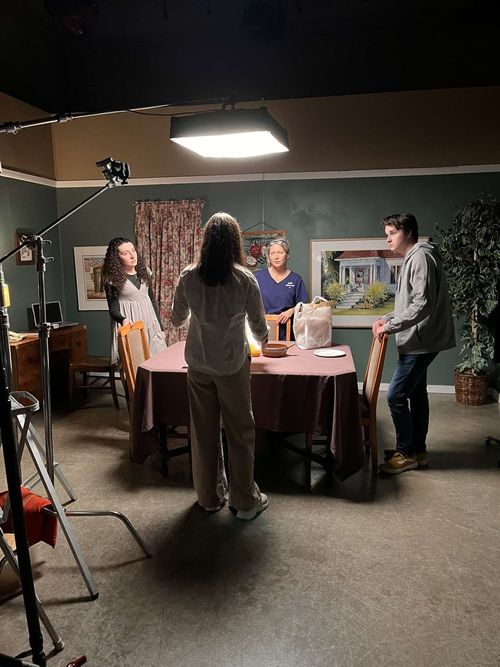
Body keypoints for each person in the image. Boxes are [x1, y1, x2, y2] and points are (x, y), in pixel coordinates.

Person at [171, 212, 269, 520]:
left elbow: (176, 319)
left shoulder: (188, 276)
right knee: (240, 432)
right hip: (231, 365)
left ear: (206, 241)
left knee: (203, 432)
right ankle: (245, 502)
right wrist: (263, 340)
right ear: (235, 243)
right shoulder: (244, 279)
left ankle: (209, 497)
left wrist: (200, 312)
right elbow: (259, 326)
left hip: (199, 364)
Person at [372, 213, 455, 474]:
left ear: (408, 232)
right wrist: (386, 318)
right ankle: (417, 451)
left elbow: (422, 304)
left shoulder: (420, 257)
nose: (388, 240)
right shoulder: (414, 257)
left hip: (421, 341)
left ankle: (406, 453)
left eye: (392, 234)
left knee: (396, 395)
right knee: (417, 394)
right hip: (419, 339)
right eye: (387, 235)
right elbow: (408, 303)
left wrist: (389, 326)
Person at [102, 237, 166, 364]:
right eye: (126, 253)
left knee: (158, 362)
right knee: (134, 365)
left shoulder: (145, 272)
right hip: (131, 326)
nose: (132, 256)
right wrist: (123, 320)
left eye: (133, 250)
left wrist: (161, 327)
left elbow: (152, 300)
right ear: (116, 258)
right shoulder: (112, 279)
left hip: (150, 323)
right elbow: (113, 309)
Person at [254, 238, 309, 340]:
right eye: (272, 253)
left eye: (280, 252)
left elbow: (305, 306)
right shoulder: (258, 277)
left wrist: (291, 311)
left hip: (287, 334)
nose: (276, 257)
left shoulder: (296, 279)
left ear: (287, 255)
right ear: (268, 257)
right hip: (262, 332)